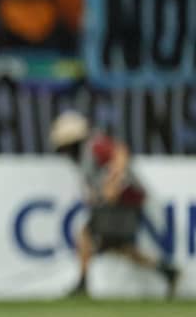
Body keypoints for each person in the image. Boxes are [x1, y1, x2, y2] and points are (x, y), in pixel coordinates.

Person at [49, 111, 179, 298]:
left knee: (87, 235)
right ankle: (167, 271)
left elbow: (121, 153)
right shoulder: (85, 154)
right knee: (120, 247)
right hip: (118, 202)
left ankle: (82, 284)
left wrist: (113, 183)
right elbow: (96, 180)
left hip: (125, 200)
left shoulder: (95, 145)